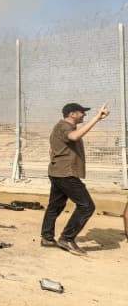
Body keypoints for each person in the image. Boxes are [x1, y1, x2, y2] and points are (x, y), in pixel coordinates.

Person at [40, 102, 109, 255]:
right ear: (72, 114)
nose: (84, 114)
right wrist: (97, 117)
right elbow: (74, 136)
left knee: (55, 206)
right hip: (66, 174)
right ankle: (67, 238)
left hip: (58, 172)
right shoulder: (65, 127)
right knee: (86, 206)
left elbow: (52, 149)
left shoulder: (60, 127)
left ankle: (47, 238)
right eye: (81, 112)